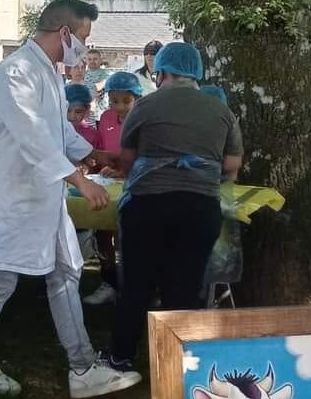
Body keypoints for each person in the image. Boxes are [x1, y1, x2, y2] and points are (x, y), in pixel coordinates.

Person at [0, 0, 142, 398]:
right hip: (10, 197)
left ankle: (82, 367)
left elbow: (58, 133)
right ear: (64, 34)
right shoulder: (15, 73)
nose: (85, 48)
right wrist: (80, 180)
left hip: (41, 197)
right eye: (84, 38)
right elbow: (34, 138)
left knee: (65, 274)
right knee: (1, 278)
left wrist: (95, 155)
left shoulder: (49, 73)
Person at [104, 43, 243, 374]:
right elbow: (231, 163)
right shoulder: (221, 111)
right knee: (185, 286)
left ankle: (120, 357)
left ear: (162, 72)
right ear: (196, 72)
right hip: (200, 208)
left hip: (147, 206)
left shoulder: (146, 106)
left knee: (136, 285)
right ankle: (178, 364)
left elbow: (126, 159)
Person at [82, 72, 144, 308]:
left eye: (125, 101)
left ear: (136, 99)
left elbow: (148, 155)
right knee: (102, 231)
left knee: (128, 237)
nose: (118, 107)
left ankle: (130, 287)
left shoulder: (144, 119)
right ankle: (109, 281)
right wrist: (95, 165)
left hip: (136, 185)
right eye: (113, 101)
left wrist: (124, 172)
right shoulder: (106, 118)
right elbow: (102, 150)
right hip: (108, 185)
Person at [66, 83, 101, 150]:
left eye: (78, 112)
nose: (72, 116)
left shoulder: (92, 135)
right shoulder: (58, 131)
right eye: (68, 111)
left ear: (87, 110)